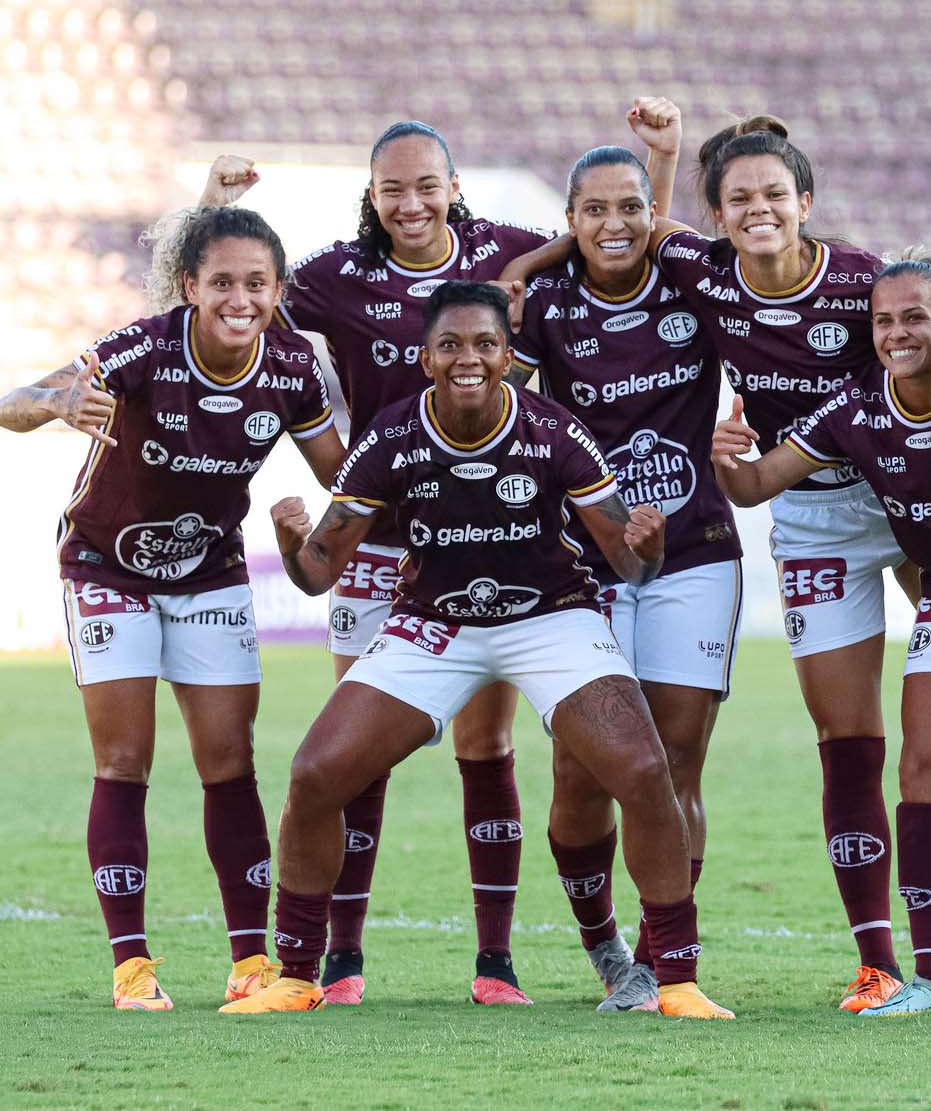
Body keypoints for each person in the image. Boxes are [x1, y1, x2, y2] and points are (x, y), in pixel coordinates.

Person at [198, 114, 648, 1004]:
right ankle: (340, 960)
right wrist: (213, 206)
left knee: (485, 746)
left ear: (453, 188)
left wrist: (647, 179)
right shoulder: (335, 276)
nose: (410, 203)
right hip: (373, 538)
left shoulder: (504, 250)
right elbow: (232, 298)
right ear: (371, 196)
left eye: (425, 185)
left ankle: (495, 963)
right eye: (392, 188)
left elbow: (615, 241)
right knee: (353, 754)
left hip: (493, 539)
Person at [648, 115, 931, 1011]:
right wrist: (659, 159)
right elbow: (643, 232)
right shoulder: (703, 269)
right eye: (738, 199)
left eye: (774, 194)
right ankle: (881, 961)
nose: (757, 210)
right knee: (847, 741)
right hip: (811, 509)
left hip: (909, 486)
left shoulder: (863, 282)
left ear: (806, 203)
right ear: (718, 215)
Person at [220, 281, 733, 1019]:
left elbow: (628, 563)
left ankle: (677, 981)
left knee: (646, 771)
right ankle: (297, 974)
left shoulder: (554, 430)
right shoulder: (392, 436)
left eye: (486, 344)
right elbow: (316, 574)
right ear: (425, 357)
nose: (470, 358)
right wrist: (292, 543)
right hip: (436, 626)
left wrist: (644, 549)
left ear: (505, 355)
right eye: (452, 345)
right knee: (314, 773)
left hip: (550, 616)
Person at [0, 206, 344, 1010]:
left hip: (211, 569)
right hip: (105, 566)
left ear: (277, 290)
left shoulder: (290, 368)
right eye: (221, 282)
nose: (239, 299)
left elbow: (346, 471)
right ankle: (132, 968)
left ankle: (250, 963)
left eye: (256, 283)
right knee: (125, 760)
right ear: (190, 286)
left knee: (230, 762)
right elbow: (9, 402)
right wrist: (55, 405)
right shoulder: (144, 347)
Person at [509, 128, 745, 1011]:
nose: (615, 224)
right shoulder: (541, 306)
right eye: (594, 212)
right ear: (569, 222)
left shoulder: (693, 280)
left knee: (676, 761)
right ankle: (603, 942)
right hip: (584, 566)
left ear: (656, 216)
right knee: (582, 772)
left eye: (631, 208)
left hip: (694, 554)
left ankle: (657, 960)